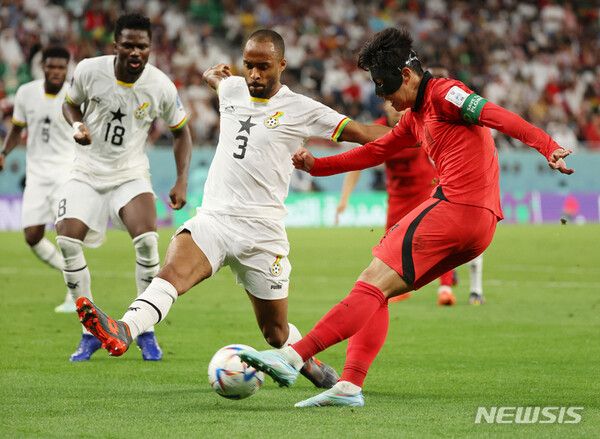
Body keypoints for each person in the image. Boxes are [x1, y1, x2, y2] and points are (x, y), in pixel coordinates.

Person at [237, 27, 573, 407]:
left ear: (408, 75)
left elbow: (496, 115)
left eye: (385, 87)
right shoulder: (415, 117)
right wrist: (318, 166)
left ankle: (290, 358)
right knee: (378, 292)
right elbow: (375, 151)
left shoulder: (446, 94)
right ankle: (349, 385)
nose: (384, 98)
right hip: (479, 226)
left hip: (457, 207)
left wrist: (547, 145)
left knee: (369, 283)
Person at [74, 29, 389, 388]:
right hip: (215, 219)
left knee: (275, 332)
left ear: (282, 65)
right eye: (248, 66)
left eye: (264, 67)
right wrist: (212, 75)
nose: (254, 75)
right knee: (171, 275)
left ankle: (309, 363)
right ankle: (124, 329)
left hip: (263, 233)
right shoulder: (233, 89)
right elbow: (217, 80)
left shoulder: (303, 109)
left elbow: (364, 133)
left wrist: (416, 133)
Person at [59, 13, 192, 362]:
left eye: (142, 46)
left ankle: (144, 330)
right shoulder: (90, 70)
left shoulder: (160, 85)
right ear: (116, 45)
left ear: (150, 47)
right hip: (86, 170)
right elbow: (69, 104)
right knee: (67, 242)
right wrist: (77, 126)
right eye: (129, 45)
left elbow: (181, 132)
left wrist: (181, 179)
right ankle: (89, 333)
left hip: (130, 173)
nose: (136, 52)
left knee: (148, 242)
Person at [336, 101, 485, 305]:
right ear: (385, 106)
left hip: (426, 189)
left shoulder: (418, 123)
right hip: (398, 194)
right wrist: (344, 198)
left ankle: (445, 289)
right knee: (390, 244)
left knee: (438, 237)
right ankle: (397, 288)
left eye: (402, 107)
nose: (398, 110)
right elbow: (358, 163)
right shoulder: (375, 130)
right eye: (393, 106)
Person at [0, 46, 76, 313]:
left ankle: (75, 294)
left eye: (61, 68)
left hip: (66, 172)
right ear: (42, 66)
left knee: (66, 234)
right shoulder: (26, 93)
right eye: (51, 66)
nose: (55, 72)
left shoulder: (74, 95)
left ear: (67, 69)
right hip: (36, 175)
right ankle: (70, 272)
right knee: (32, 236)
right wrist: (4, 153)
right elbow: (17, 129)